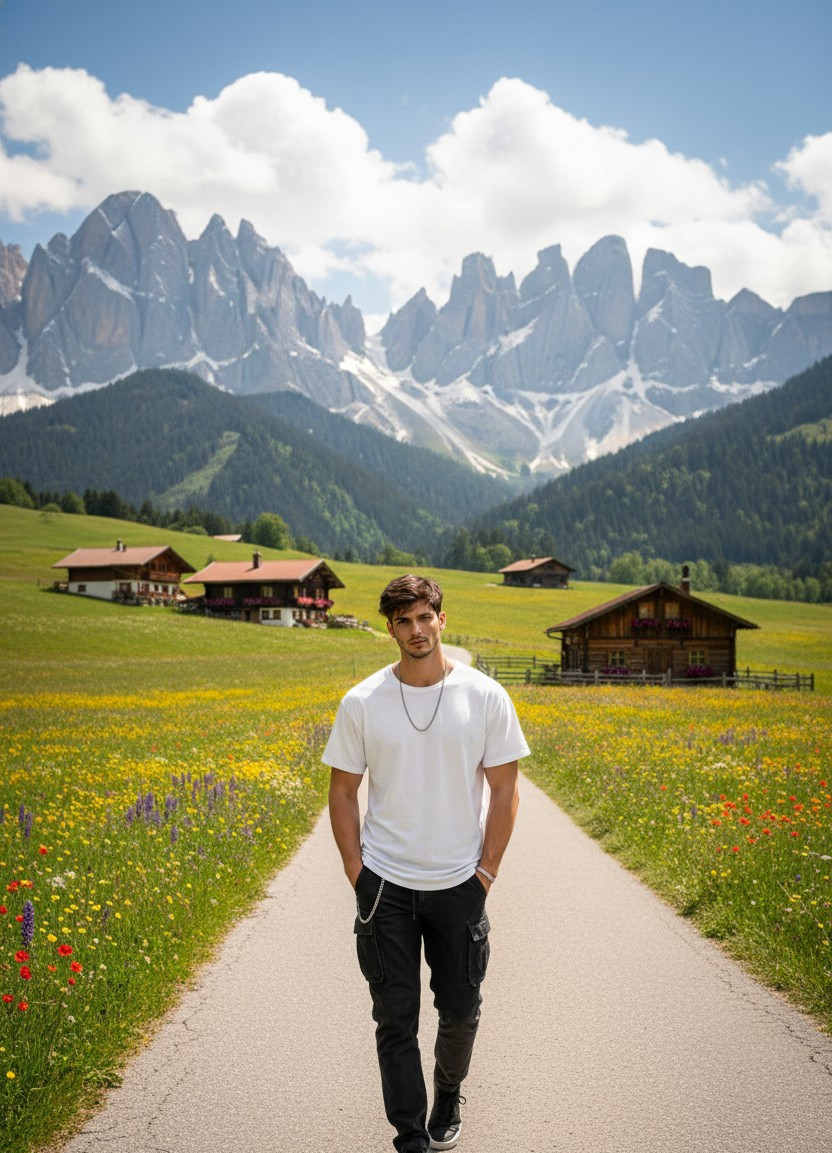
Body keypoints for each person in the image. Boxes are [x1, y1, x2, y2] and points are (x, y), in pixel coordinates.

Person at [324, 574, 530, 1152]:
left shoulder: (486, 696)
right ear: (390, 628)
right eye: (402, 621)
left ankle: (448, 1090)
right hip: (385, 887)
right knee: (395, 1018)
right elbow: (342, 792)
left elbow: (507, 789)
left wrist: (485, 872)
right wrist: (356, 873)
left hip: (459, 883)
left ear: (441, 618)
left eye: (424, 618)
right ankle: (410, 1136)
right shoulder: (362, 702)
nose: (415, 630)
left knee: (461, 1009)